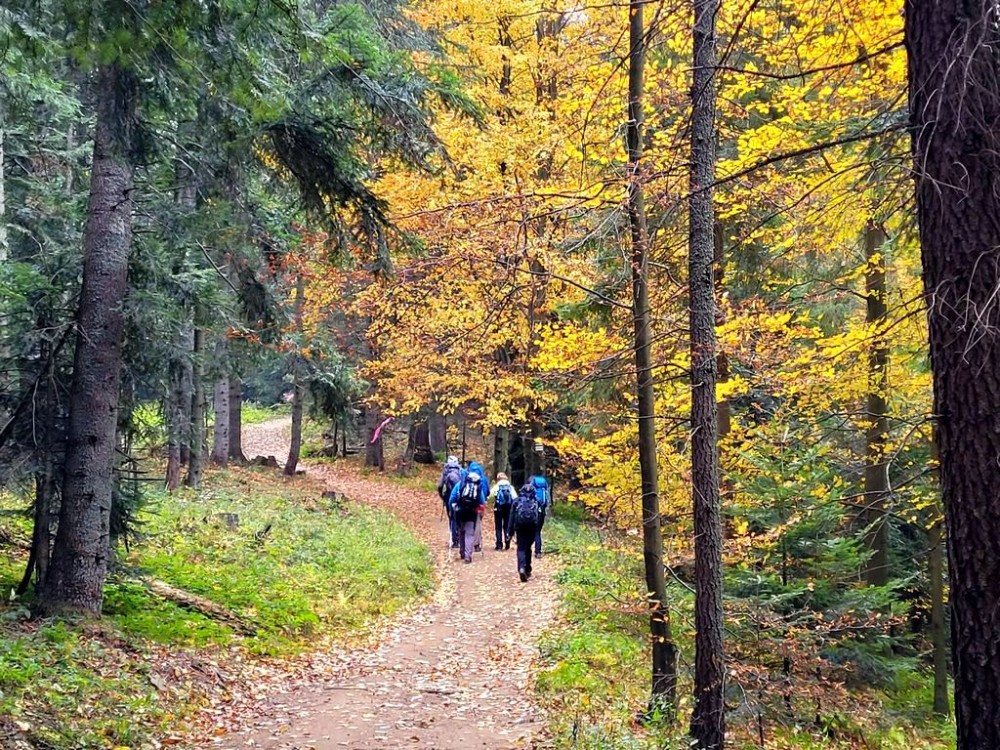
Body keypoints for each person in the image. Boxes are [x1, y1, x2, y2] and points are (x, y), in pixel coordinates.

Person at [449, 460, 488, 563]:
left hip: (460, 510)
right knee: (470, 533)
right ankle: (468, 556)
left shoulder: (460, 484)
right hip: (472, 511)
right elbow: (482, 501)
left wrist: (451, 509)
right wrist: (480, 509)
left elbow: (452, 498)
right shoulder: (478, 485)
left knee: (461, 531)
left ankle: (462, 552)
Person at [510, 482, 541, 582]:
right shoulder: (537, 501)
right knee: (528, 548)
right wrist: (537, 529)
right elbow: (539, 517)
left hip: (520, 527)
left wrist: (510, 531)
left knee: (521, 548)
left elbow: (512, 517)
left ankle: (521, 568)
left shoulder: (516, 501)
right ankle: (528, 568)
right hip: (532, 527)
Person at [437, 456, 463, 548]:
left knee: (452, 518)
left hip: (449, 498)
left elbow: (440, 486)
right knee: (460, 517)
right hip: (460, 497)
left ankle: (454, 540)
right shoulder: (461, 470)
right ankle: (461, 538)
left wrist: (442, 496)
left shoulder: (446, 471)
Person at [528, 473, 551, 558]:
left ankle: (528, 549)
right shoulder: (544, 488)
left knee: (531, 531)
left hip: (533, 512)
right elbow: (548, 501)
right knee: (538, 531)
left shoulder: (530, 488)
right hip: (542, 512)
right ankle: (538, 552)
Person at [492, 472, 516, 550]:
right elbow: (515, 497)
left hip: (498, 508)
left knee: (498, 526)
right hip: (508, 508)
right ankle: (507, 543)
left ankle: (499, 545)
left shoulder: (496, 486)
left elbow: (490, 495)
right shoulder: (510, 487)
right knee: (507, 525)